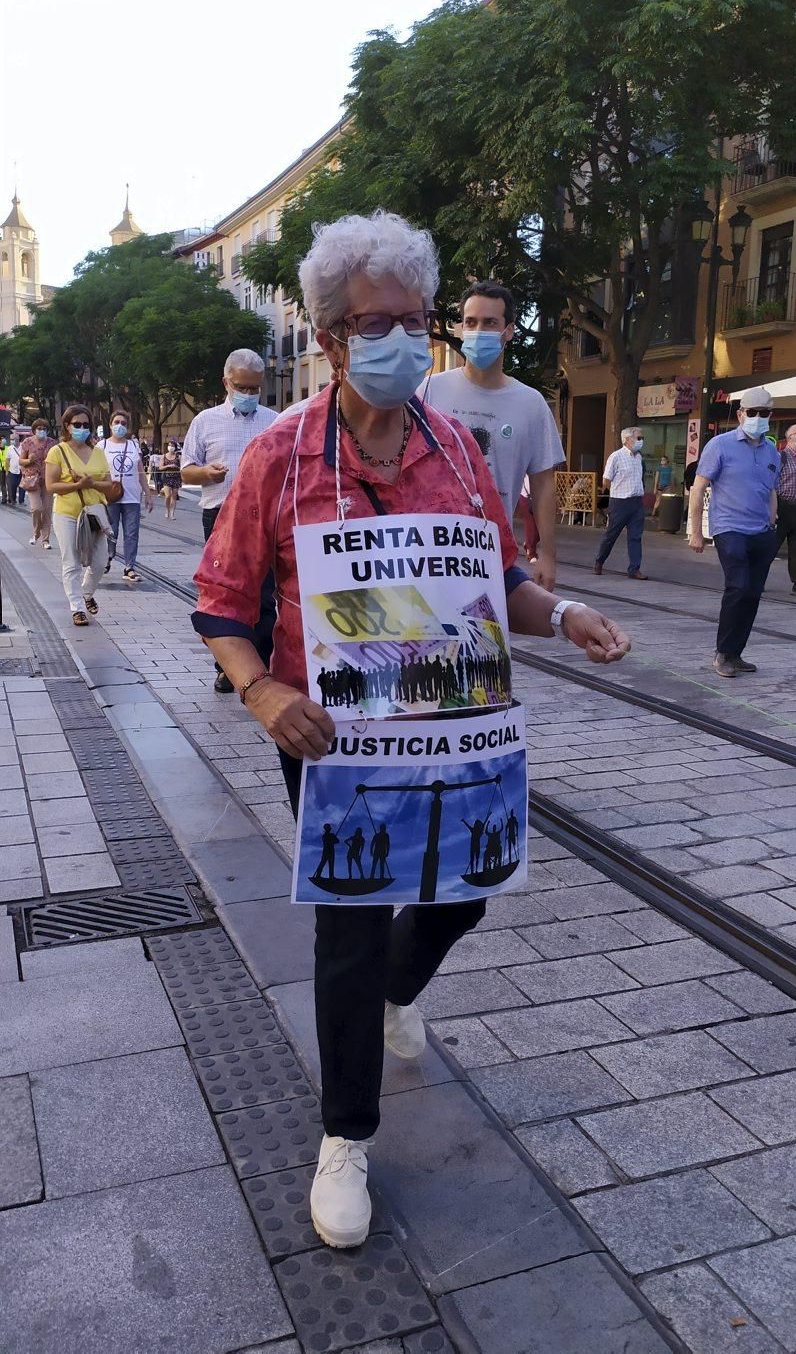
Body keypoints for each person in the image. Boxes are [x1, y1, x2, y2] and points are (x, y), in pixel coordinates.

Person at [190, 209, 631, 1253]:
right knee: (347, 923)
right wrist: (261, 695)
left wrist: (563, 615)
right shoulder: (280, 456)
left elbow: (503, 581)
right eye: (373, 321)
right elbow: (218, 599)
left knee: (467, 889)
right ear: (331, 335)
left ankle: (398, 985)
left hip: (454, 732)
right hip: (329, 739)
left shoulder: (452, 449)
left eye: (413, 319)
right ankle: (345, 1133)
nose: (399, 338)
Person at [423, 281, 565, 590]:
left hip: (492, 556)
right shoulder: (428, 392)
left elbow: (542, 486)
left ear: (509, 330)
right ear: (460, 327)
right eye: (471, 322)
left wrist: (548, 555)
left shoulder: (531, 404)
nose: (478, 331)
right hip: (428, 553)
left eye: (490, 323)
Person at [181, 347, 278, 693]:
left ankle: (261, 665)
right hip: (220, 515)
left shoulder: (275, 421)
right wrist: (206, 472)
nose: (249, 395)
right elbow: (186, 471)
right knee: (224, 595)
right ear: (227, 382)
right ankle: (226, 668)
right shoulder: (205, 422)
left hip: (264, 518)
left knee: (266, 595)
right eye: (242, 387)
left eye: (255, 388)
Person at [688, 386, 780, 677]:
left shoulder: (771, 452)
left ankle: (736, 653)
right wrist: (695, 531)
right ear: (741, 414)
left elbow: (772, 490)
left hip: (761, 531)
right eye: (752, 412)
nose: (757, 418)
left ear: (769, 415)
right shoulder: (720, 445)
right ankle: (722, 654)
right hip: (729, 527)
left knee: (752, 593)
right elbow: (699, 486)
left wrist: (772, 520)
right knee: (738, 586)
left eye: (763, 413)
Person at [45, 406, 115, 626]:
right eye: (77, 424)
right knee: (72, 562)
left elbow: (108, 483)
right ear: (67, 425)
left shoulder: (98, 452)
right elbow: (50, 485)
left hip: (94, 513)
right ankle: (77, 608)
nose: (82, 429)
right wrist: (77, 484)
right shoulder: (58, 451)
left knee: (100, 561)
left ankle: (87, 593)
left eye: (86, 425)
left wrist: (92, 483)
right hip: (67, 512)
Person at [101, 408, 154, 582]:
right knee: (111, 531)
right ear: (110, 425)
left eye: (123, 423)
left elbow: (140, 473)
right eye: (116, 422)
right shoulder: (102, 446)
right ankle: (107, 558)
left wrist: (148, 494)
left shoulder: (133, 445)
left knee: (131, 533)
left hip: (132, 496)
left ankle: (129, 566)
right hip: (110, 496)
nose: (120, 426)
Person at [594, 427, 647, 579]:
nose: (641, 441)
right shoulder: (616, 457)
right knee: (612, 534)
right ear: (628, 440)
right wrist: (617, 490)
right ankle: (599, 561)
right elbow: (606, 480)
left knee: (636, 536)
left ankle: (634, 569)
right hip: (620, 502)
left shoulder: (638, 458)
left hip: (636, 502)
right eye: (638, 438)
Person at [20, 420, 55, 548]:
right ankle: (35, 533)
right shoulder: (27, 442)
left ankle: (46, 540)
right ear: (34, 429)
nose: (41, 430)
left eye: (44, 428)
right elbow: (21, 461)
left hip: (48, 479)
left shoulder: (52, 443)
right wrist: (29, 459)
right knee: (36, 508)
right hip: (32, 480)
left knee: (46, 510)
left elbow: (57, 461)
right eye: (39, 428)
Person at [775, 422, 796, 595]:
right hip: (782, 506)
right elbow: (772, 483)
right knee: (771, 546)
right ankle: (757, 579)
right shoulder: (780, 457)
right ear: (790, 438)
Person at [159, 439, 181, 519]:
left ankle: (172, 513)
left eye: (172, 446)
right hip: (166, 478)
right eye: (169, 445)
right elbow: (160, 467)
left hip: (176, 478)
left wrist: (177, 467)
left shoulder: (178, 456)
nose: (170, 447)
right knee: (167, 496)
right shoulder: (163, 456)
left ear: (175, 447)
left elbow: (182, 467)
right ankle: (167, 510)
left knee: (174, 496)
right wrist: (168, 466)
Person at [6, 435, 23, 507]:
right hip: (13, 470)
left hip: (22, 470)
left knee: (22, 486)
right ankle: (13, 499)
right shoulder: (10, 448)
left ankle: (21, 501)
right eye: (11, 439)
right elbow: (7, 460)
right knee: (13, 485)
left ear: (18, 439)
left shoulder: (23, 446)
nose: (11, 440)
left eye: (13, 439)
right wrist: (7, 469)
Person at [0, 435, 7, 505]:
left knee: (4, 484)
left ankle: (4, 498)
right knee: (2, 484)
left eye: (3, 439)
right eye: (1, 439)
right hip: (0, 469)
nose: (3, 440)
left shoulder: (8, 448)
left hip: (6, 469)